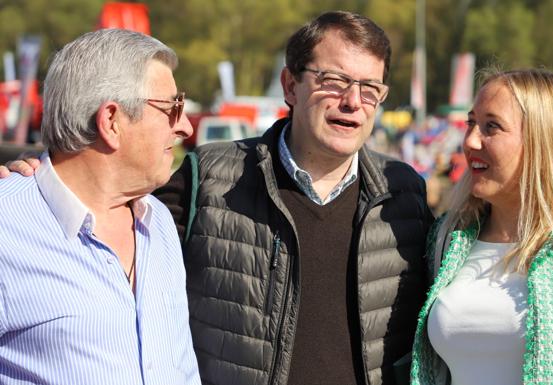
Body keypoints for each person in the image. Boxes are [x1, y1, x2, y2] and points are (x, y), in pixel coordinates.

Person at [2, 12, 434, 385]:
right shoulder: (207, 177)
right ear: (290, 85)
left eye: (370, 88)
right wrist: (38, 175)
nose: (353, 102)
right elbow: (91, 190)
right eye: (334, 81)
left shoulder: (404, 194)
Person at [0, 29, 200, 384]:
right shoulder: (8, 224)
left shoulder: (159, 223)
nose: (184, 126)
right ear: (111, 121)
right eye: (173, 107)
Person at [409, 69, 553, 385]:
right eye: (471, 123)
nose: (469, 141)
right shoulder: (447, 238)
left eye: (491, 127)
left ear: (545, 139)